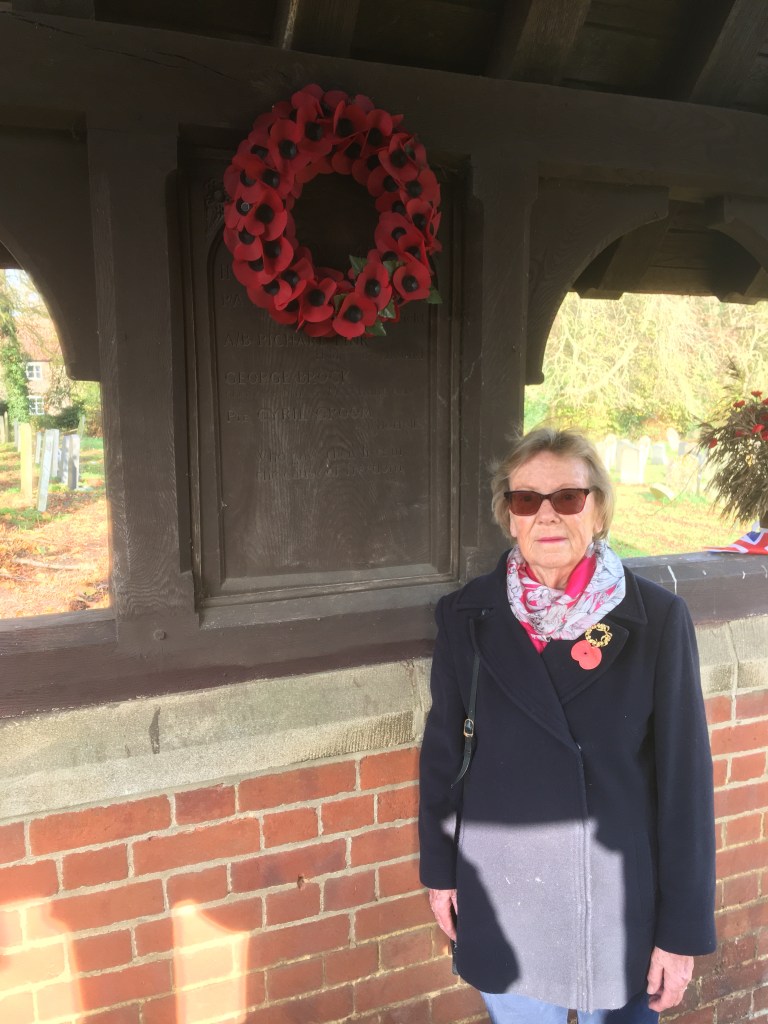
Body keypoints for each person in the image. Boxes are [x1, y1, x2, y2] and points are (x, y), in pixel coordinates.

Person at [419, 428, 716, 1023]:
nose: (547, 515)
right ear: (509, 516)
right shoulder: (466, 616)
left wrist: (680, 932)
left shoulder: (656, 620)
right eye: (527, 499)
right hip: (504, 897)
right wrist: (441, 871)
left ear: (598, 511)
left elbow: (685, 784)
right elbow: (444, 754)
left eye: (569, 498)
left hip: (617, 906)